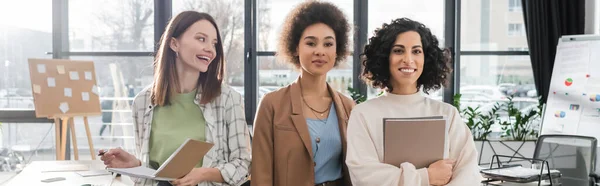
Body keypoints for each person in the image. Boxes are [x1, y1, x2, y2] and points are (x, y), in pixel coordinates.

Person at [99, 11, 251, 186]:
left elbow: (242, 165)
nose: (210, 49)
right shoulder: (143, 102)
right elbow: (151, 174)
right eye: (201, 39)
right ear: (174, 43)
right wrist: (135, 166)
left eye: (214, 43)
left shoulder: (228, 99)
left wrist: (202, 174)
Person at [345, 18, 481, 186]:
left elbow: (469, 173)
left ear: (427, 58)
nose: (408, 59)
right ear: (385, 57)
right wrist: (426, 177)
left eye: (416, 51)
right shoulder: (363, 114)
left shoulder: (447, 114)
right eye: (398, 51)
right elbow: (364, 176)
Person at [251, 1, 355, 186]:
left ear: (337, 50)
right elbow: (261, 175)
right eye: (311, 43)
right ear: (296, 47)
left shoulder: (349, 107)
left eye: (328, 43)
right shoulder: (272, 104)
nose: (320, 51)